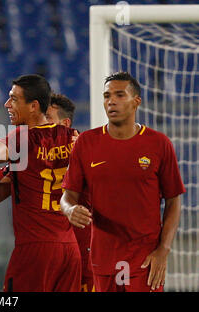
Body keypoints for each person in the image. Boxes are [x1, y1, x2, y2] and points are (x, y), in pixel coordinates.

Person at [60, 71, 185, 292]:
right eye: (107, 96)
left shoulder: (159, 144)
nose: (111, 101)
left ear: (136, 101)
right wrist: (69, 210)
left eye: (119, 95)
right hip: (102, 258)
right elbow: (68, 196)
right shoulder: (86, 143)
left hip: (146, 260)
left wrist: (163, 250)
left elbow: (174, 200)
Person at [0, 74, 81, 292]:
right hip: (70, 250)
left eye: (13, 99)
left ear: (33, 106)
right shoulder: (72, 137)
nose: (7, 104)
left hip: (36, 249)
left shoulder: (23, 138)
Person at [0, 93, 95, 292]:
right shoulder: (32, 156)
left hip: (84, 258)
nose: (41, 122)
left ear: (65, 124)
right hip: (59, 255)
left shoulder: (84, 153)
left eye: (47, 117)